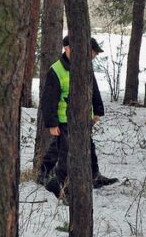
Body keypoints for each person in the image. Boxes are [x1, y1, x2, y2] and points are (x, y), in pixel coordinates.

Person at [39, 36, 118, 197]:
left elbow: (93, 89)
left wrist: (98, 110)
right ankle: (61, 185)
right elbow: (48, 99)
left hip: (83, 120)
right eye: (92, 53)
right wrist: (52, 123)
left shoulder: (84, 67)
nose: (92, 56)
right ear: (67, 49)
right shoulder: (56, 70)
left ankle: (94, 176)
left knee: (88, 147)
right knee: (65, 152)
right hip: (64, 120)